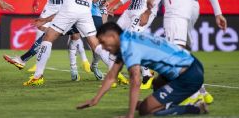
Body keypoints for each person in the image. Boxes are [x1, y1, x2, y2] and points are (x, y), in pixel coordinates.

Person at [77, 22, 209, 117]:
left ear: (112, 36)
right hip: (191, 63)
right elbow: (112, 76)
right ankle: (161, 104)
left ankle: (193, 108)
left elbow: (135, 81)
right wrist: (95, 99)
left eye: (103, 42)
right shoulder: (127, 38)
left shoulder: (129, 47)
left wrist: (130, 115)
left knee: (145, 110)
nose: (103, 48)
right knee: (156, 84)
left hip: (188, 75)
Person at [3, 0, 92, 81]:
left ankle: (92, 66)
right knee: (59, 36)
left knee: (93, 43)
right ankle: (78, 69)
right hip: (81, 12)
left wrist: (45, 19)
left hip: (78, 14)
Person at [22, 0, 102, 86]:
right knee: (95, 44)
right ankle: (114, 71)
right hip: (88, 11)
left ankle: (38, 74)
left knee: (49, 37)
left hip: (70, 9)